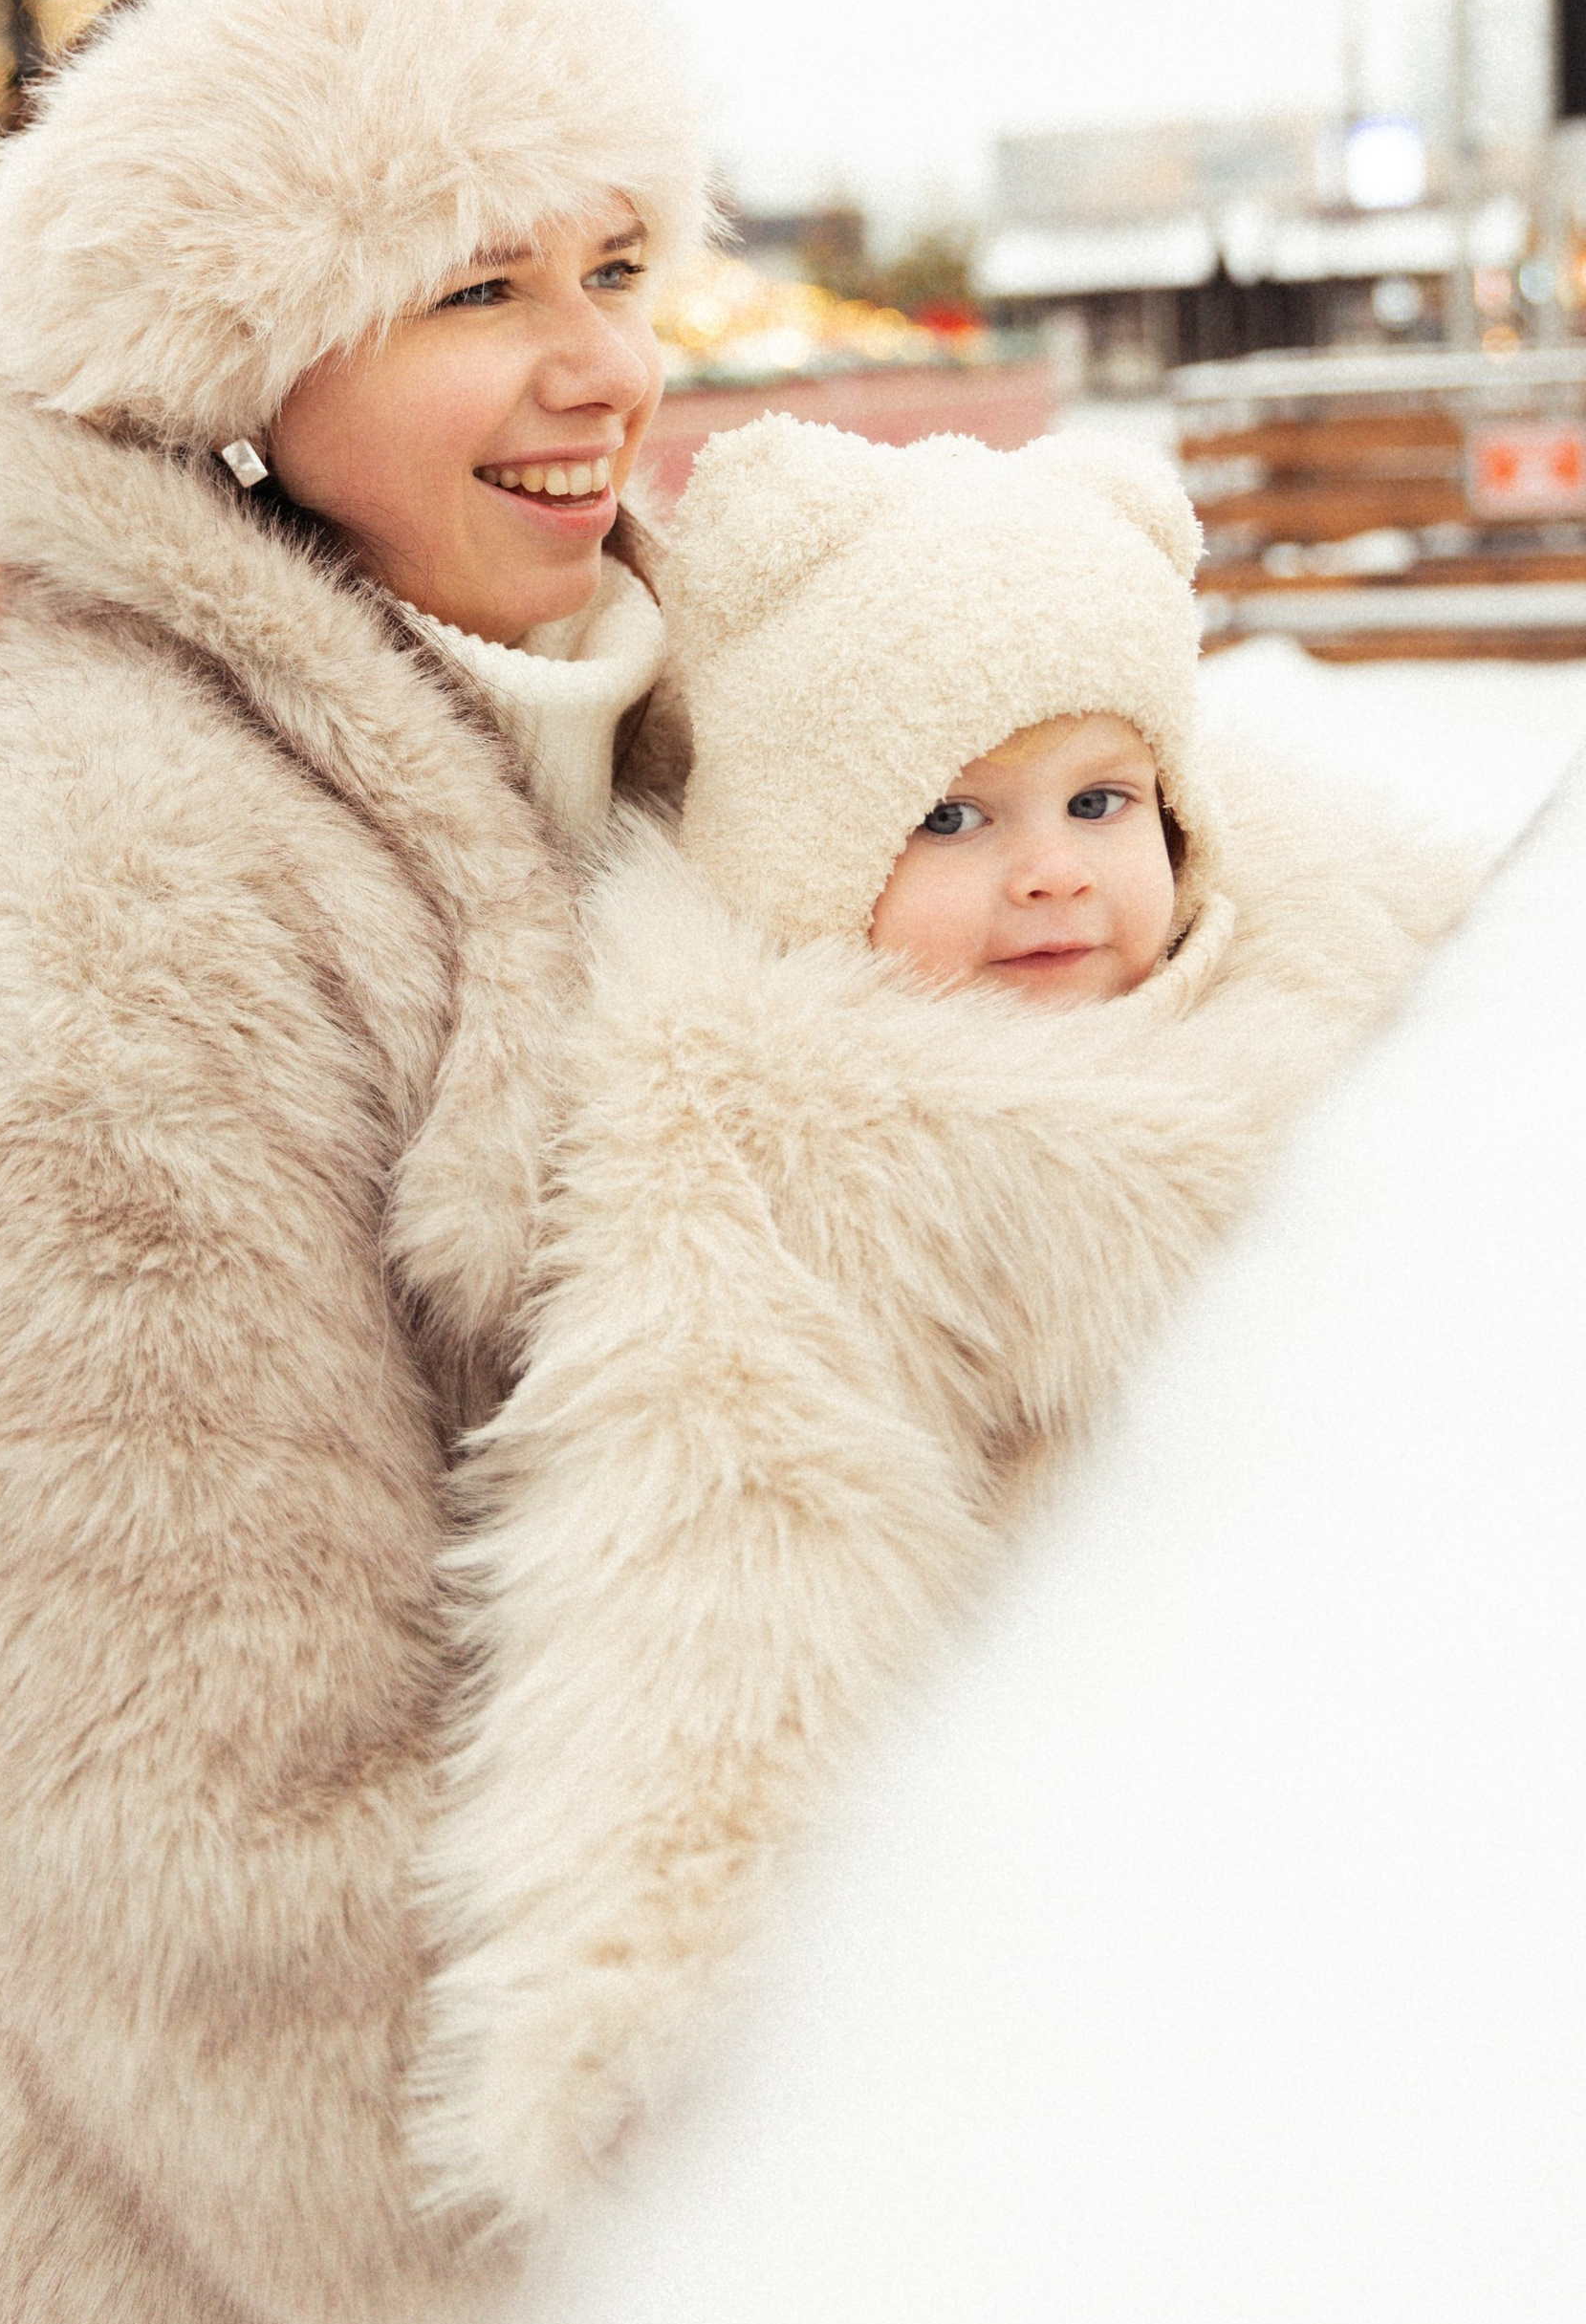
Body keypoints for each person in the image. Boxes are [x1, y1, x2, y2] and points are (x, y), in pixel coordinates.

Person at [0, 0, 706, 2324]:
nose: (596, 365)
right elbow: (201, 1856)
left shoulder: (668, 718)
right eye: (470, 286)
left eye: (616, 260)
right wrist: (725, 2314)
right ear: (227, 355)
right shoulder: (91, 901)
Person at [414, 411, 1478, 2230]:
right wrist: (657, 1979)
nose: (1053, 869)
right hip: (1071, 1854)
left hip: (1369, 1778)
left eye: (1099, 800)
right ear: (814, 858)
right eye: (951, 816)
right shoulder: (777, 1154)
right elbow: (707, 1550)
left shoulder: (1333, 971)